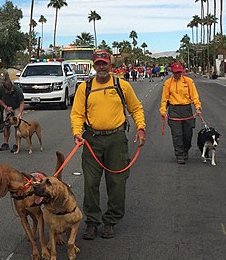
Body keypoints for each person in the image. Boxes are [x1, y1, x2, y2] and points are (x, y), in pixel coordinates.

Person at [71, 50, 146, 240]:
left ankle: (111, 221)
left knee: (117, 182)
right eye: (98, 64)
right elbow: (77, 114)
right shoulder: (85, 88)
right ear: (94, 66)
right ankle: (92, 222)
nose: (101, 67)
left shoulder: (122, 85)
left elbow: (136, 108)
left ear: (110, 65)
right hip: (92, 140)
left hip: (116, 139)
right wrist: (77, 133)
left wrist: (141, 128)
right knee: (90, 183)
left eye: (104, 63)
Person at [160, 62, 202, 164]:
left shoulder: (188, 82)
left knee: (187, 134)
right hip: (174, 110)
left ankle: (185, 150)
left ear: (182, 71)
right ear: (172, 72)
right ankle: (179, 155)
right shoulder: (168, 83)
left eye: (179, 72)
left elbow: (194, 96)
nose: (177, 74)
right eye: (175, 72)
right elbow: (164, 99)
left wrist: (197, 107)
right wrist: (163, 110)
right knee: (177, 134)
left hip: (186, 109)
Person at [0, 77, 25, 152]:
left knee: (17, 126)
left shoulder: (17, 90)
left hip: (16, 106)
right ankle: (5, 143)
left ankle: (16, 144)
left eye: (10, 90)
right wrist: (5, 106)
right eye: (7, 91)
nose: (9, 92)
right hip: (8, 107)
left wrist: (19, 113)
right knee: (7, 125)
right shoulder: (0, 89)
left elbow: (22, 103)